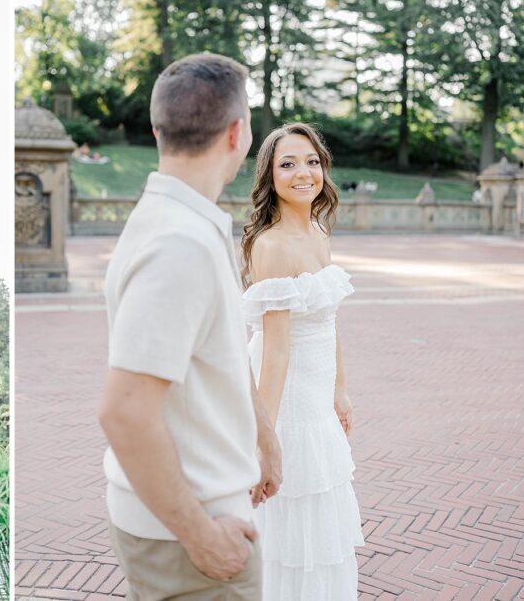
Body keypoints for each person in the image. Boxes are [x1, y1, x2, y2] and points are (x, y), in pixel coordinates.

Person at [98, 53, 282, 600]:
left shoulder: (184, 221)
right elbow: (124, 412)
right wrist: (202, 538)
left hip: (187, 518)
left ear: (157, 130)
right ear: (238, 133)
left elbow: (215, 349)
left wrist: (262, 433)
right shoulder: (179, 244)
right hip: (192, 539)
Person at [239, 122, 365, 599]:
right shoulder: (271, 245)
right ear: (269, 177)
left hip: (316, 390)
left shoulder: (318, 228)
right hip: (285, 395)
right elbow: (275, 351)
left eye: (311, 161)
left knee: (322, 508)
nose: (303, 173)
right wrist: (263, 434)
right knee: (288, 505)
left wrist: (340, 388)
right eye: (287, 164)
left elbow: (328, 318)